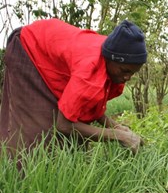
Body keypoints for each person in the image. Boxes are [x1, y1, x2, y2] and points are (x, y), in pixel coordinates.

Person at [0, 18, 147, 158]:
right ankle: (18, 178)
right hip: (29, 48)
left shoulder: (111, 61)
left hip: (53, 59)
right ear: (111, 59)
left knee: (76, 135)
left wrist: (116, 127)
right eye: (124, 71)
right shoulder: (88, 70)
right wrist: (117, 136)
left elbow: (90, 106)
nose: (128, 78)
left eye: (132, 73)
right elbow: (63, 125)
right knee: (38, 131)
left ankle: (66, 170)